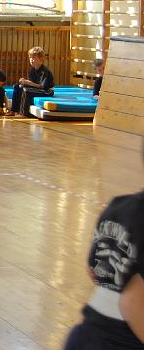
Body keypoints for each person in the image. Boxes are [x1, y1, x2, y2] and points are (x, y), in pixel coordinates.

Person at [64, 150, 144, 349]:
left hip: (85, 334)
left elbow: (94, 270)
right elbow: (131, 302)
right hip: (121, 340)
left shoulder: (118, 206)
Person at [10, 46, 54, 116]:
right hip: (37, 89)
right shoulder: (32, 70)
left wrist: (28, 83)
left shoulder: (45, 71)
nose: (31, 60)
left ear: (41, 59)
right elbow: (32, 84)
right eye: (30, 57)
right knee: (17, 86)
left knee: (26, 91)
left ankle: (23, 113)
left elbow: (42, 86)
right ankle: (13, 110)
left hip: (46, 91)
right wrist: (24, 82)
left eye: (33, 58)